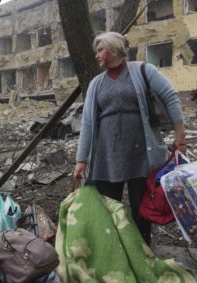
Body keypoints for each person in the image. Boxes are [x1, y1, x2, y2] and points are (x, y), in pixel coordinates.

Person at [73, 32, 186, 246]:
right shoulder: (97, 83)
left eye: (100, 50)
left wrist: (181, 135)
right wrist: (81, 160)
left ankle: (143, 252)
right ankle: (114, 253)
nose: (96, 55)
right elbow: (87, 122)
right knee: (108, 210)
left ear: (113, 50)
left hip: (141, 154)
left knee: (141, 211)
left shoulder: (143, 70)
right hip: (107, 156)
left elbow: (170, 96)